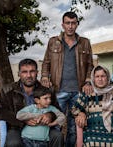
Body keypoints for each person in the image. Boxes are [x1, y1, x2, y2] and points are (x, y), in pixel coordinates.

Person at [41, 11, 94, 146]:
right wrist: (44, 76)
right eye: (67, 23)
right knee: (55, 124)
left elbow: (90, 65)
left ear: (77, 24)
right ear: (62, 25)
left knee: (73, 127)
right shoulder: (53, 42)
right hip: (59, 91)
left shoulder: (85, 43)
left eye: (73, 23)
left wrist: (88, 81)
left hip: (78, 92)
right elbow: (46, 62)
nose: (70, 26)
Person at [0, 58, 64, 147]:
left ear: (37, 73)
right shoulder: (8, 90)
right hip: (16, 127)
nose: (29, 75)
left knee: (58, 136)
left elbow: (57, 110)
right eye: (24, 72)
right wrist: (23, 120)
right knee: (13, 143)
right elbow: (0, 112)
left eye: (32, 71)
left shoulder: (47, 90)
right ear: (19, 74)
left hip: (43, 127)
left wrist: (50, 115)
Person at [71, 65, 113, 147]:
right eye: (97, 76)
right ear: (93, 78)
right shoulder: (88, 93)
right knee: (90, 142)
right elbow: (74, 109)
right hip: (93, 130)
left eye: (103, 76)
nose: (100, 79)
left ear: (108, 77)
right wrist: (82, 113)